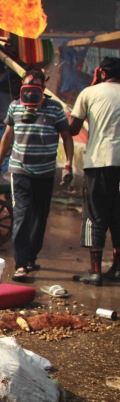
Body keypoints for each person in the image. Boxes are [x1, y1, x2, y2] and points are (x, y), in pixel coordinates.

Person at [0, 70, 74, 282]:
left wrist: (69, 165)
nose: (31, 92)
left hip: (45, 172)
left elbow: (66, 136)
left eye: (36, 87)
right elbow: (8, 136)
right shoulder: (15, 105)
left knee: (40, 217)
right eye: (27, 87)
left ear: (43, 87)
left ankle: (30, 257)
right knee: (21, 216)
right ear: (22, 87)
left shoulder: (55, 108)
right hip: (20, 172)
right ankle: (20, 264)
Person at [69, 57, 120, 286]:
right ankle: (117, 269)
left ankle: (95, 271)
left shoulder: (89, 93)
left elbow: (73, 129)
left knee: (95, 215)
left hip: (100, 162)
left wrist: (65, 118)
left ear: (100, 72)